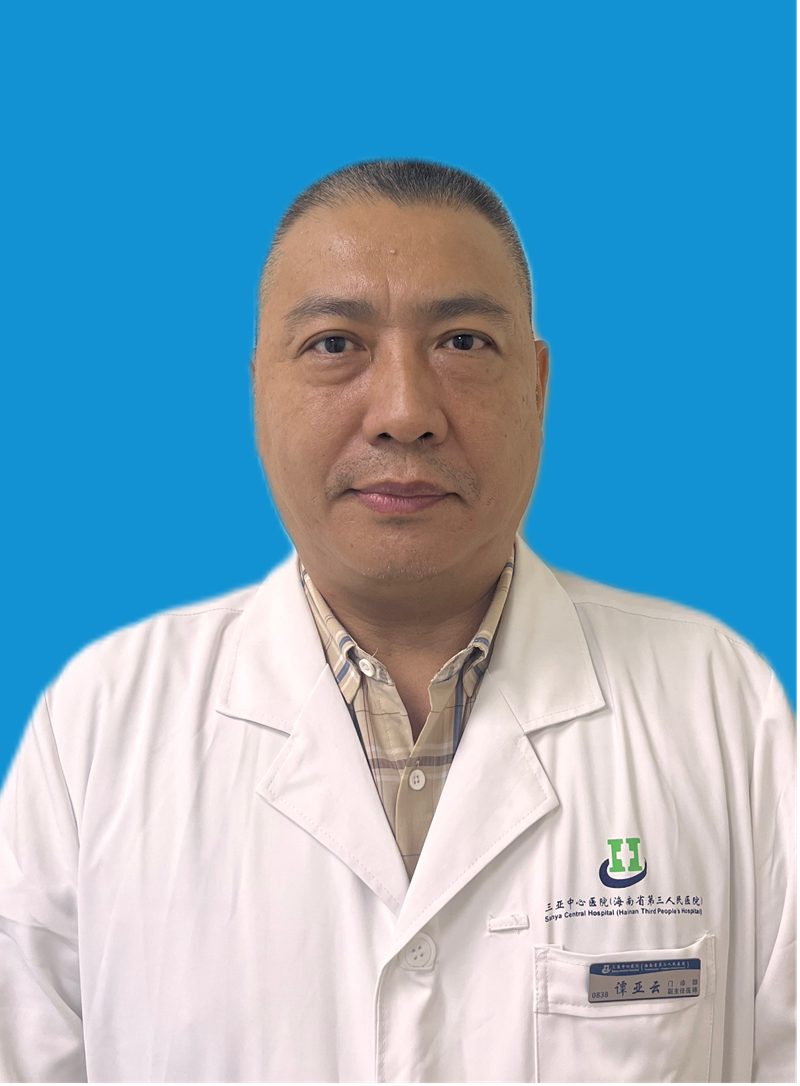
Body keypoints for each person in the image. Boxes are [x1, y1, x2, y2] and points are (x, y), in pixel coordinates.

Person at [0, 160, 794, 1085]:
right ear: (258, 387)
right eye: (335, 344)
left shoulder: (722, 707)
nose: (406, 413)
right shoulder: (100, 725)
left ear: (538, 384)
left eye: (462, 341)